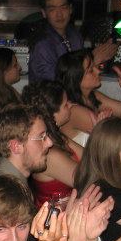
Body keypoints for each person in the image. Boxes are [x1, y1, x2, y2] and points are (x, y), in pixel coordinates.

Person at [56, 49, 121, 146]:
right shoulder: (75, 111)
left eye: (95, 66)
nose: (98, 71)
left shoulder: (92, 96)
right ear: (76, 79)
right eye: (91, 70)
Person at [27, 0, 115, 85]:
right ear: (44, 13)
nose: (59, 14)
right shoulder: (42, 44)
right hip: (49, 97)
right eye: (52, 9)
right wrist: (91, 61)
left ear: (70, 9)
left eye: (63, 7)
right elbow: (59, 83)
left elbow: (80, 86)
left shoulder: (75, 36)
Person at [22, 79, 83, 207]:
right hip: (56, 220)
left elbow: (89, 157)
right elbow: (89, 179)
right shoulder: (48, 153)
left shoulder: (57, 136)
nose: (71, 105)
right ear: (52, 116)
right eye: (66, 104)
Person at [0, 104, 54, 193]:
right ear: (16, 146)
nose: (50, 143)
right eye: (41, 137)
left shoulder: (9, 177)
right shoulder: (5, 191)